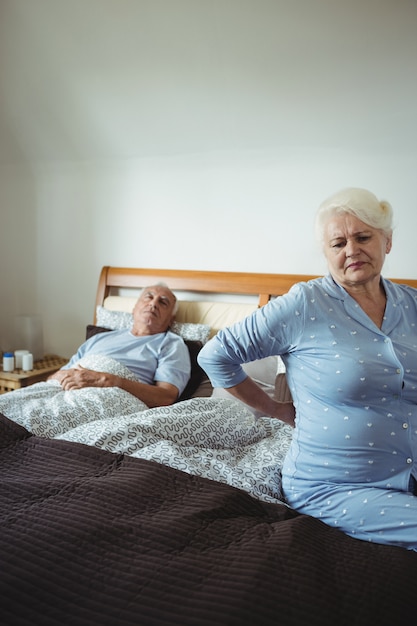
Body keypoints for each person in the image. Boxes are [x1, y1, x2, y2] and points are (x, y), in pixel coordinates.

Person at [198, 187, 417, 550]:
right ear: (326, 252)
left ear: (387, 241)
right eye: (338, 243)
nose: (351, 250)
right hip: (338, 485)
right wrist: (276, 410)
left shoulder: (412, 304)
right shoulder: (304, 304)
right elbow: (216, 355)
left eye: (363, 237)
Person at [49, 283, 191, 408]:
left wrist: (108, 381)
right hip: (61, 392)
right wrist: (70, 378)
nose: (153, 304)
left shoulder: (171, 344)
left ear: (171, 319)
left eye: (163, 302)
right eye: (148, 297)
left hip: (109, 400)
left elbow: (165, 397)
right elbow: (53, 378)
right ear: (134, 308)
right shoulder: (99, 338)